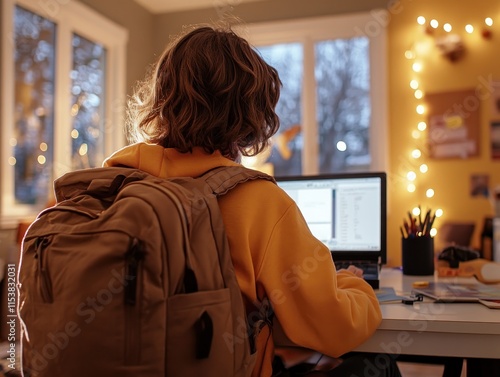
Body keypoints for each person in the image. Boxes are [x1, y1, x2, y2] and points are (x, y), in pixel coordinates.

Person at [103, 23, 401, 377]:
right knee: (376, 367)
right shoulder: (257, 201)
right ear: (250, 112)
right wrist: (354, 283)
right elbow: (333, 327)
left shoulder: (112, 185)